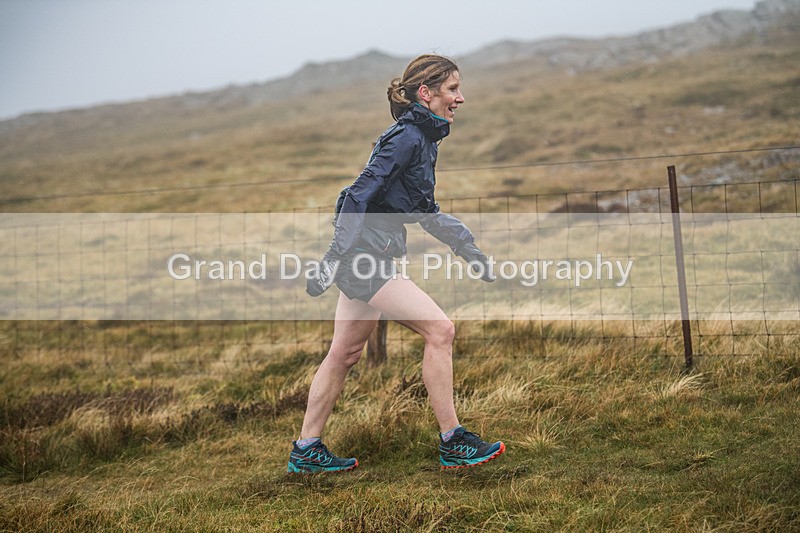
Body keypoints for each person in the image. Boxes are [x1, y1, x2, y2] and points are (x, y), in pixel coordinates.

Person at [288, 54, 505, 474]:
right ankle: (453, 441)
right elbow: (357, 195)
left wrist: (468, 249)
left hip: (375, 252)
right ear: (426, 93)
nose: (460, 97)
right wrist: (335, 257)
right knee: (440, 330)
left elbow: (424, 209)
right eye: (453, 89)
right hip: (365, 258)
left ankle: (307, 450)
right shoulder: (406, 138)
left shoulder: (423, 139)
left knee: (344, 352)